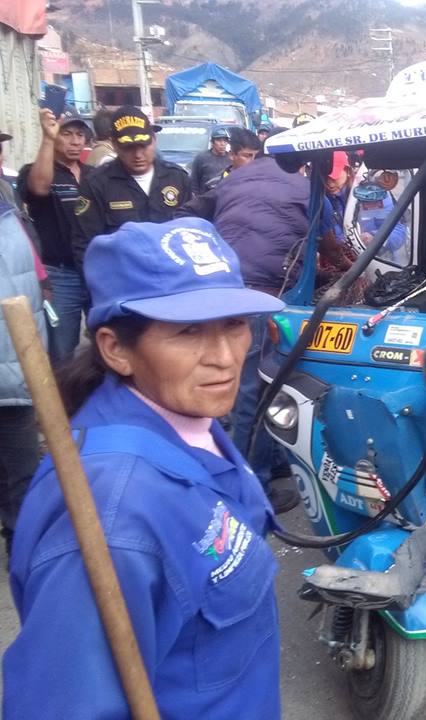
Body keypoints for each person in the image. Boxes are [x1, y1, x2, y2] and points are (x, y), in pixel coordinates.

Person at [3, 217, 284, 718]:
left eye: (235, 324)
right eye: (188, 331)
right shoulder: (113, 517)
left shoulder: (190, 418)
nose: (224, 357)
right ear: (116, 349)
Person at [177, 153, 322, 513]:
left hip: (225, 293)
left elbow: (185, 213)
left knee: (258, 387)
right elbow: (327, 239)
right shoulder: (305, 186)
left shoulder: (233, 180)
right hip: (264, 297)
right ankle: (250, 488)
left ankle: (270, 461)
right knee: (256, 394)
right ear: (300, 163)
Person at [73, 106, 192, 271]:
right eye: (129, 147)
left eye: (143, 145)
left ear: (154, 139)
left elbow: (191, 231)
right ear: (114, 144)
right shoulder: (97, 184)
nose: (138, 155)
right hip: (123, 278)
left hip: (173, 274)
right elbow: (85, 246)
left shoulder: (178, 178)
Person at [17, 106, 92, 363]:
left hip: (94, 270)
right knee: (62, 349)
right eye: (66, 134)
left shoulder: (93, 175)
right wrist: (48, 138)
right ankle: (62, 390)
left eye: (80, 135)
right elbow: (39, 188)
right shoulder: (36, 172)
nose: (75, 141)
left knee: (105, 341)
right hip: (60, 275)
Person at [0, 200, 47, 559]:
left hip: (14, 374)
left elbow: (36, 286)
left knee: (21, 473)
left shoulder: (11, 219)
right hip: (17, 373)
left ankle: (23, 548)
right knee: (21, 474)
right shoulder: (11, 220)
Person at [190, 126, 231, 195]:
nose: (222, 144)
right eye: (219, 140)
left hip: (225, 196)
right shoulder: (201, 158)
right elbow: (194, 181)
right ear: (212, 142)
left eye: (225, 141)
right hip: (206, 197)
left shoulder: (231, 158)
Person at [324, 150, 352, 243]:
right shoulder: (320, 199)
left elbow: (393, 230)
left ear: (348, 171)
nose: (329, 183)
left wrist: (372, 236)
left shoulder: (368, 194)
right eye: (325, 178)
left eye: (334, 177)